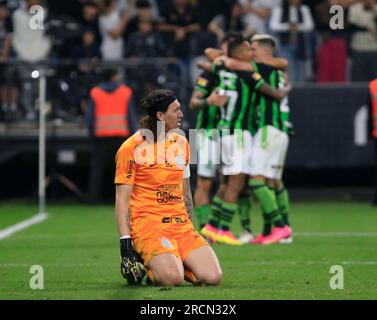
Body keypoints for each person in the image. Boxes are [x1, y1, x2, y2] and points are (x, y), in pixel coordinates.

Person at [115, 89, 222, 286]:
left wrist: (190, 225)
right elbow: (122, 201)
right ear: (161, 116)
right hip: (149, 227)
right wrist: (125, 244)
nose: (181, 114)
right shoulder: (131, 148)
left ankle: (173, 262)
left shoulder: (181, 142)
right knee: (172, 279)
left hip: (181, 227)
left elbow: (185, 190)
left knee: (213, 277)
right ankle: (149, 263)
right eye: (176, 110)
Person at [199, 34, 291, 245]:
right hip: (239, 133)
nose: (251, 51)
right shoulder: (249, 71)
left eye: (253, 48)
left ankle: (214, 225)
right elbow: (275, 93)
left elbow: (208, 56)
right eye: (248, 48)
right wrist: (286, 89)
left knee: (226, 181)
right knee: (240, 180)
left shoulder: (223, 67)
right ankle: (224, 227)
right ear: (240, 51)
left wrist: (222, 58)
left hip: (224, 132)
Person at [248, 34, 293, 244]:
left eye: (253, 47)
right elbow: (284, 63)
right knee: (272, 181)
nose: (250, 51)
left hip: (269, 129)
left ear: (263, 49)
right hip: (281, 130)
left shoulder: (263, 68)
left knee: (256, 180)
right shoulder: (278, 70)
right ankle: (274, 230)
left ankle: (280, 227)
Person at [87, 68, 137, 203]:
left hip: (101, 137)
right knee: (124, 171)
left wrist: (91, 134)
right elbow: (130, 116)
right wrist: (134, 136)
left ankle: (94, 198)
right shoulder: (125, 92)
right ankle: (124, 199)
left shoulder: (95, 92)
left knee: (97, 170)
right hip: (121, 137)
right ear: (113, 77)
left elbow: (90, 118)